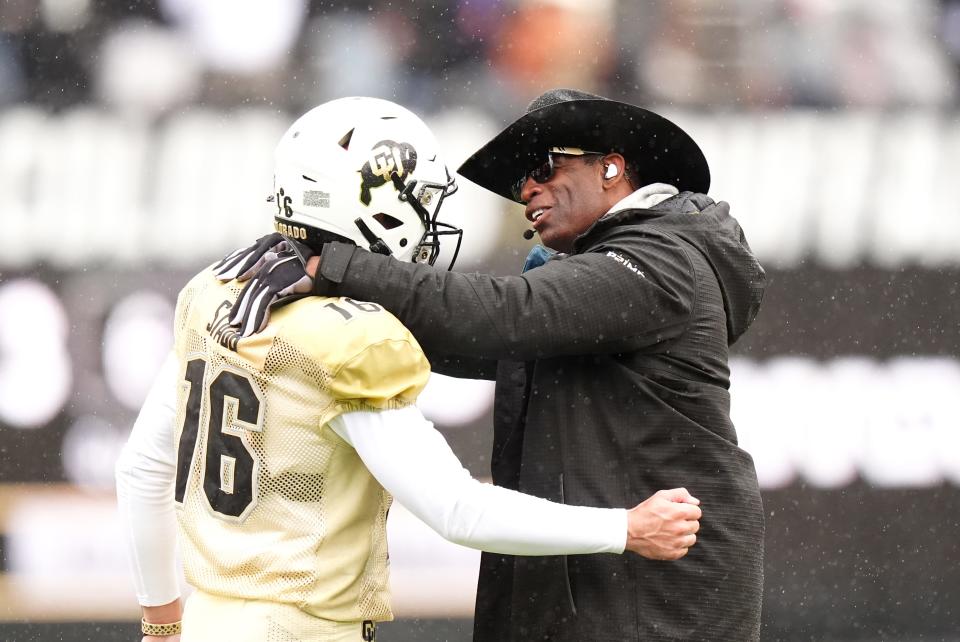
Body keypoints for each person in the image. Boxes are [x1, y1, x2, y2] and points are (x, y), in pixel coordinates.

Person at [115, 96, 703, 642]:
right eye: (420, 199)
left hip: (206, 618)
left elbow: (142, 467)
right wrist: (624, 528)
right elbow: (457, 509)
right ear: (376, 204)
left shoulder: (218, 291)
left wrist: (162, 619)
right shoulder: (356, 340)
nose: (429, 218)